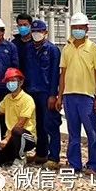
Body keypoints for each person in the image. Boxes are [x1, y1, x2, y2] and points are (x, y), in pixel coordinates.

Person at [58, 12, 96, 175]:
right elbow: (63, 74)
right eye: (75, 27)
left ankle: (94, 165)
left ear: (86, 29)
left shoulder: (94, 48)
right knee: (73, 133)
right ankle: (74, 163)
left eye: (80, 27)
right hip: (69, 96)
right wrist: (60, 96)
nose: (77, 30)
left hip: (87, 96)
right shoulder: (67, 48)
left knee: (92, 133)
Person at [23, 19, 62, 170]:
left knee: (50, 124)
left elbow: (55, 74)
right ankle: (41, 154)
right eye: (34, 31)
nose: (36, 34)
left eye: (39, 31)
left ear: (46, 32)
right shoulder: (28, 49)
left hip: (46, 92)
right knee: (38, 124)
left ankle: (54, 157)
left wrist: (53, 95)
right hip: (31, 91)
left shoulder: (52, 50)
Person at [0, 68, 36, 168]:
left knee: (17, 131)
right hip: (11, 137)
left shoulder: (27, 99)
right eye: (8, 81)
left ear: (21, 82)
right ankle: (11, 157)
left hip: (27, 137)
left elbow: (21, 123)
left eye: (13, 81)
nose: (10, 84)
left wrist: (7, 139)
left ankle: (21, 158)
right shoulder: (7, 98)